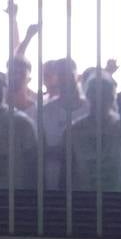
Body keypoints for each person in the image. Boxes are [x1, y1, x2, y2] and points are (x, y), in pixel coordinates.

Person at [64, 70, 121, 192]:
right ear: (88, 96)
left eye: (105, 95)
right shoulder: (74, 130)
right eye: (96, 94)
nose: (100, 100)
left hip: (118, 196)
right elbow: (66, 169)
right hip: (85, 196)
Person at [40, 57, 87, 190]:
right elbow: (38, 151)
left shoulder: (91, 109)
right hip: (53, 185)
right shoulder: (45, 111)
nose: (65, 79)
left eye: (69, 74)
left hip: (86, 186)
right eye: (61, 75)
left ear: (77, 76)